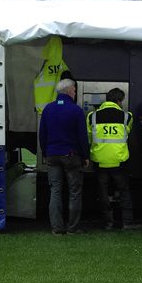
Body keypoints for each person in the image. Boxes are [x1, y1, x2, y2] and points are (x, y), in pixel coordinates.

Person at [39, 78, 89, 235]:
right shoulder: (76, 110)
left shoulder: (48, 109)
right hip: (71, 156)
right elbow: (82, 136)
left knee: (55, 191)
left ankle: (57, 228)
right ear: (69, 91)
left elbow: (42, 134)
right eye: (74, 90)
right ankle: (72, 228)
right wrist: (85, 155)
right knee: (74, 191)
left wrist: (45, 152)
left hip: (52, 155)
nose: (75, 93)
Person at [87, 88, 141, 231]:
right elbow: (127, 133)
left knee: (103, 191)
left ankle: (108, 222)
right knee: (124, 190)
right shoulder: (127, 116)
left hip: (99, 160)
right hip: (119, 160)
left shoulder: (91, 116)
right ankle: (127, 222)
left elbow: (89, 136)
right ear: (119, 101)